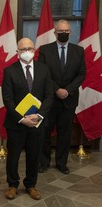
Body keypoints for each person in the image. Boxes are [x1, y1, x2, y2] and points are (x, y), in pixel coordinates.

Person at [2, 38, 53, 200]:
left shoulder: (44, 70)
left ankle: (31, 185)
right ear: (17, 52)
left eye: (29, 48)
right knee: (13, 156)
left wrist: (39, 116)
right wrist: (21, 118)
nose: (26, 51)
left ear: (34, 50)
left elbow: (49, 96)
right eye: (23, 49)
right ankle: (12, 185)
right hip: (16, 123)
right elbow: (8, 99)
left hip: (37, 123)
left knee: (34, 155)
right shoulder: (9, 71)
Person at [38, 19, 86, 175]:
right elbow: (43, 73)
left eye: (66, 31)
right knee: (45, 131)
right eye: (60, 31)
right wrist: (57, 89)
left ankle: (61, 163)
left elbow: (81, 74)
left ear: (70, 32)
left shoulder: (79, 51)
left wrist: (68, 90)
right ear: (55, 32)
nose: (63, 34)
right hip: (50, 99)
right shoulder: (45, 50)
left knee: (65, 134)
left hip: (69, 99)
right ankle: (43, 162)